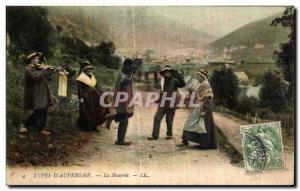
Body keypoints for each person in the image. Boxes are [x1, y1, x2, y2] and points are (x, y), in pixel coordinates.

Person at [177, 69, 217, 149]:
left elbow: (208, 98)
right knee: (191, 123)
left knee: (203, 126)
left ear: (203, 77)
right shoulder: (201, 84)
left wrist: (204, 110)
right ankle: (186, 141)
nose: (197, 77)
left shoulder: (205, 85)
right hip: (198, 107)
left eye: (199, 76)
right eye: (197, 76)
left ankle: (204, 144)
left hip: (204, 109)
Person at [148, 65, 185, 140]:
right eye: (165, 72)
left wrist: (181, 75)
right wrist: (158, 100)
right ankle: (155, 135)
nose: (166, 74)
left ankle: (169, 134)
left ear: (170, 73)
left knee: (169, 119)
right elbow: (162, 92)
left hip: (171, 102)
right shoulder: (163, 81)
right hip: (163, 102)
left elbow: (182, 84)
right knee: (157, 117)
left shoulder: (175, 81)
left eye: (168, 72)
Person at [76, 60, 115, 131]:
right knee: (88, 110)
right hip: (86, 96)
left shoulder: (91, 76)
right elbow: (80, 88)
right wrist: (81, 97)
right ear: (83, 69)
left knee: (97, 109)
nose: (88, 70)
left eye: (89, 69)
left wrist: (102, 92)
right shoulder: (80, 77)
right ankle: (87, 126)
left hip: (94, 95)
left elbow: (96, 86)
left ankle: (95, 125)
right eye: (87, 69)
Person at [23, 51, 54, 136]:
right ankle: (25, 125)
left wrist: (51, 71)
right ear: (31, 60)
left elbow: (48, 78)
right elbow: (35, 77)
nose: (37, 60)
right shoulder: (29, 69)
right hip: (35, 93)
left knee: (44, 110)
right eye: (36, 59)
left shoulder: (39, 68)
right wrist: (44, 69)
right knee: (38, 111)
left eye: (38, 59)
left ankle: (41, 129)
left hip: (43, 92)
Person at [114, 58, 138, 145]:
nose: (132, 69)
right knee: (124, 120)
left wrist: (132, 72)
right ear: (126, 66)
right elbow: (125, 81)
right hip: (122, 100)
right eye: (130, 66)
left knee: (124, 116)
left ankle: (111, 117)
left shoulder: (125, 74)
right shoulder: (123, 75)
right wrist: (132, 73)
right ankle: (120, 140)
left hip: (124, 99)